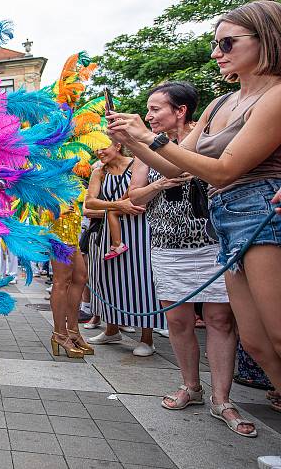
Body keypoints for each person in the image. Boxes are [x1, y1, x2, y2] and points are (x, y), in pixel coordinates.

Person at [108, 0, 281, 419]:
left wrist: (150, 140)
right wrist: (133, 139)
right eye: (214, 44)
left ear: (267, 38)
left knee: (275, 336)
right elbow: (176, 168)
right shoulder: (221, 104)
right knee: (257, 343)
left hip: (259, 213)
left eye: (227, 42)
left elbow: (222, 171)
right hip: (227, 220)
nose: (216, 53)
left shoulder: (275, 96)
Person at [127, 81, 254, 436]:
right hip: (167, 245)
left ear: (180, 111)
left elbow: (199, 172)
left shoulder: (208, 138)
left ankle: (222, 399)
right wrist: (158, 186)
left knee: (220, 319)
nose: (149, 116)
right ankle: (191, 387)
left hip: (211, 243)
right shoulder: (144, 151)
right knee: (179, 321)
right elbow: (134, 197)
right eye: (148, 110)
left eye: (156, 109)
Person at [83, 143, 164, 356]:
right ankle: (111, 330)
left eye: (103, 148)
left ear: (118, 146)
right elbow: (89, 203)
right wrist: (118, 206)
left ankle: (147, 338)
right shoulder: (99, 172)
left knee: (143, 280)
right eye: (97, 150)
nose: (100, 152)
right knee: (110, 279)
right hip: (110, 231)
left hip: (140, 229)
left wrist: (111, 206)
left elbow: (142, 195)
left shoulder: (138, 164)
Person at [44, 192, 91, 358]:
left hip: (71, 228)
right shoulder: (46, 166)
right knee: (61, 281)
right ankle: (60, 334)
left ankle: (72, 330)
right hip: (58, 228)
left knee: (80, 277)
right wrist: (55, 207)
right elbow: (34, 188)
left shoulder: (70, 169)